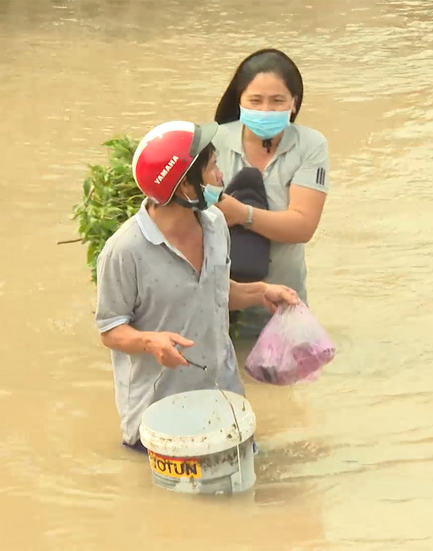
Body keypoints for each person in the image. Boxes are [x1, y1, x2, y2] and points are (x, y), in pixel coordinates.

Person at [94, 120, 299, 451]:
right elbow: (110, 330)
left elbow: (213, 292)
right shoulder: (124, 252)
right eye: (213, 167)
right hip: (159, 421)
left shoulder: (216, 224)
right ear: (186, 187)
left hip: (225, 404)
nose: (221, 178)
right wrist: (150, 342)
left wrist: (261, 292)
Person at [211, 49, 330, 339]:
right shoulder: (212, 140)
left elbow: (302, 226)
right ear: (239, 101)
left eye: (277, 101)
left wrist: (242, 214)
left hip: (283, 303)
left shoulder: (310, 145)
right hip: (220, 302)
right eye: (255, 100)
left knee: (280, 383)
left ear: (294, 103)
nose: (265, 110)